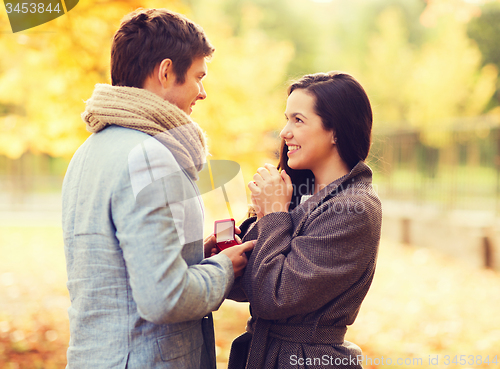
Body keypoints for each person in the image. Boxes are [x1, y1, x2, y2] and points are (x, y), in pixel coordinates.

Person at [62, 8, 254, 369]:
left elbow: (119, 266)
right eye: (198, 77)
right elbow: (165, 298)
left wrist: (195, 256)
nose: (203, 92)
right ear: (166, 72)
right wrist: (224, 269)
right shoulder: (150, 156)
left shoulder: (88, 153)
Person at [227, 72, 382, 369]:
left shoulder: (353, 209)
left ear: (335, 131)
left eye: (298, 120)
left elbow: (272, 298)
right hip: (263, 353)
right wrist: (227, 255)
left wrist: (273, 214)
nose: (284, 132)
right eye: (286, 119)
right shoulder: (298, 194)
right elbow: (246, 287)